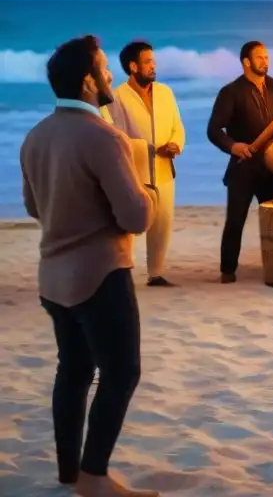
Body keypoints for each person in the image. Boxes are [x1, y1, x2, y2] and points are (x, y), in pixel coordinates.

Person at [20, 36, 158, 497]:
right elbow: (135, 218)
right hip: (101, 277)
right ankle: (94, 475)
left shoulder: (36, 136)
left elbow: (33, 206)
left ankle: (67, 472)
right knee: (121, 373)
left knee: (74, 371)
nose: (111, 79)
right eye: (103, 70)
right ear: (87, 82)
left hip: (53, 278)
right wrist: (150, 196)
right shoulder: (104, 136)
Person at [207, 41, 273, 283]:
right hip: (243, 167)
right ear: (246, 61)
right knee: (236, 219)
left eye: (267, 56)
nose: (265, 61)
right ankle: (228, 270)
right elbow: (214, 130)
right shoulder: (230, 92)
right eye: (259, 57)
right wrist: (233, 146)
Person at [102, 41, 185, 287]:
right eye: (147, 62)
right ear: (133, 66)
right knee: (128, 224)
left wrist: (175, 144)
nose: (153, 66)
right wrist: (142, 149)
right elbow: (114, 133)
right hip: (134, 171)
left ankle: (155, 273)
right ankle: (121, 271)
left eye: (153, 61)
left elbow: (177, 127)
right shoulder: (117, 97)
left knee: (163, 222)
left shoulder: (165, 92)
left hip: (164, 168)